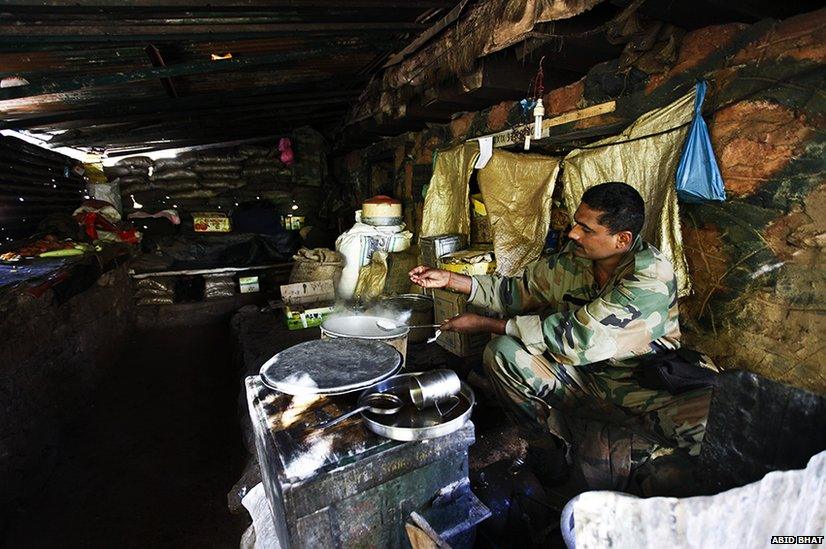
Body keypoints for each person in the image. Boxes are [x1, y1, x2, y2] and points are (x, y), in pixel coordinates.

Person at [409, 182, 717, 489]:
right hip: (585, 378)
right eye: (575, 224)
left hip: (640, 385)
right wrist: (452, 279)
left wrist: (485, 324)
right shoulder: (575, 259)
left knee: (707, 441)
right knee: (503, 353)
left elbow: (579, 340)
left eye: (586, 229)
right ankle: (546, 448)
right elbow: (518, 292)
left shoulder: (649, 277)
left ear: (622, 239)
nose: (573, 234)